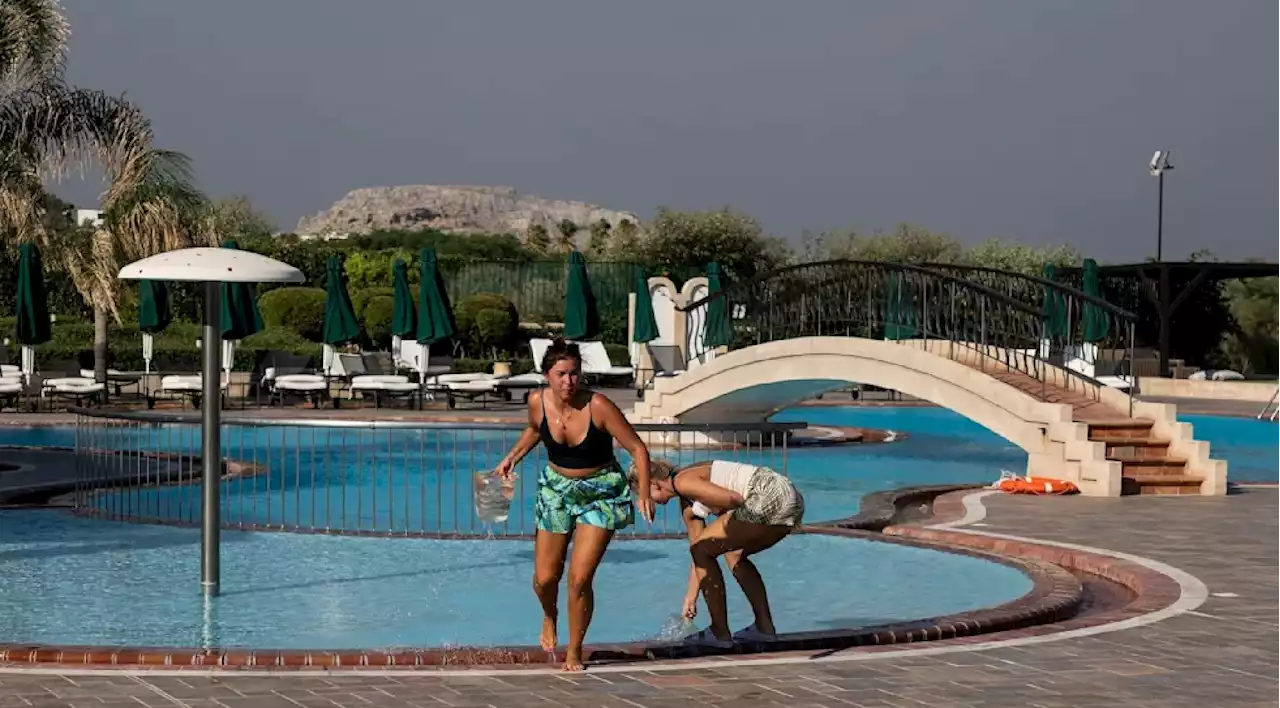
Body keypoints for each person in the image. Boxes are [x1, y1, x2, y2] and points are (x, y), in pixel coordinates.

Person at [496, 337, 655, 671]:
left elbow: (637, 448)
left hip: (601, 493)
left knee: (580, 579)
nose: (569, 381)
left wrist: (642, 493)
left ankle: (575, 650)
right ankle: (549, 615)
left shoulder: (598, 406)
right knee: (544, 578)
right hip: (556, 490)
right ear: (547, 375)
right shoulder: (537, 401)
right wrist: (512, 457)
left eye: (574, 374)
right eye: (561, 374)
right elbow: (532, 430)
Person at [634, 458, 804, 648]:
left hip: (769, 494)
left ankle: (719, 632)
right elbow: (699, 554)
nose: (643, 501)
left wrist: (731, 519)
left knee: (707, 548)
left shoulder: (683, 481)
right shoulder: (687, 503)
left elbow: (734, 499)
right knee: (732, 553)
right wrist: (690, 598)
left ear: (652, 483)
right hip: (791, 500)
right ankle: (764, 627)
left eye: (640, 493)